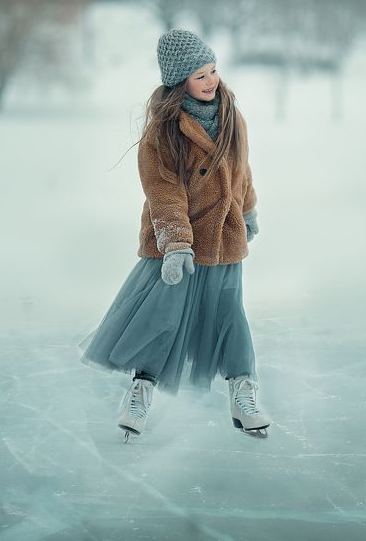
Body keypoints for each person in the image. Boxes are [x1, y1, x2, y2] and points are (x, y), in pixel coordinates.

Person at [78, 28, 271, 441]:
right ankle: (140, 390)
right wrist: (176, 245)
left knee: (229, 316)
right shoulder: (162, 132)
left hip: (224, 237)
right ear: (179, 80)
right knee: (162, 319)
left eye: (214, 70)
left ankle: (243, 391)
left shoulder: (233, 117)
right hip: (177, 244)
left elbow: (242, 170)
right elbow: (163, 191)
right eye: (200, 75)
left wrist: (249, 208)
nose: (211, 81)